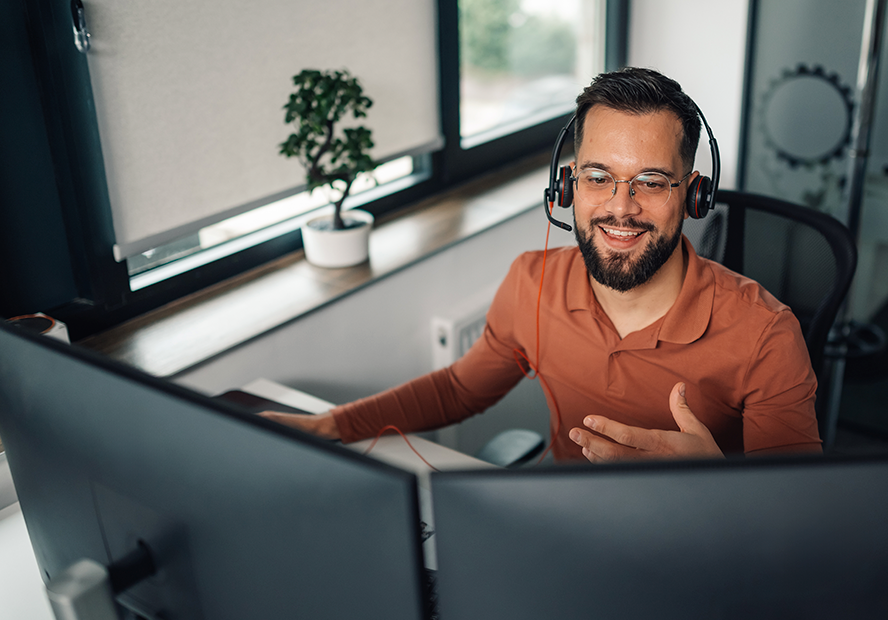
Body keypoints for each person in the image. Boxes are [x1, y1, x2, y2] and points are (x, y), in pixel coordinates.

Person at [262, 67, 822, 462]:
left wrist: (712, 484)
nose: (620, 207)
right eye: (598, 177)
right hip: (560, 535)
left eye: (651, 182)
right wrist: (331, 424)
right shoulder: (531, 282)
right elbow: (459, 390)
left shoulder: (765, 335)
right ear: (565, 185)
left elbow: (803, 521)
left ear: (694, 195)